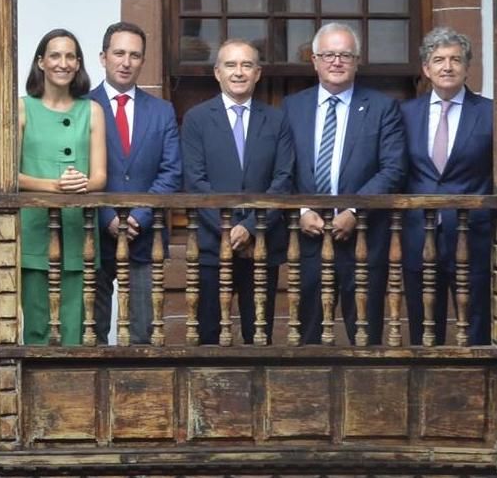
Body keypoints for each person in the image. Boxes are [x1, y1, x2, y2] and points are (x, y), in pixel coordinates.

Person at [284, 22, 406, 345]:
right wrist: (302, 209)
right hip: (307, 239)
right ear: (314, 60)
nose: (336, 62)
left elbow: (393, 169)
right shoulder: (291, 107)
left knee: (365, 337)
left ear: (357, 60)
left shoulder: (382, 108)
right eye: (328, 55)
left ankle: (369, 397)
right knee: (306, 335)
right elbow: (283, 169)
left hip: (363, 240)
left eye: (345, 55)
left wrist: (354, 210)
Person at [179, 39, 294, 345]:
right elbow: (195, 181)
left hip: (263, 243)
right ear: (217, 73)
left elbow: (283, 180)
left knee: (259, 336)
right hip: (212, 243)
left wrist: (251, 227)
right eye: (231, 65)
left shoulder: (277, 119)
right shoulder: (197, 119)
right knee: (208, 335)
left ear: (258, 73)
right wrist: (229, 228)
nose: (239, 72)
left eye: (246, 65)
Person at [400, 28, 495, 346]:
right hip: (419, 234)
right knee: (423, 327)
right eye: (438, 60)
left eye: (456, 59)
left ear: (468, 67)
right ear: (426, 69)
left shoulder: (490, 113)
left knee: (477, 326)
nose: (447, 67)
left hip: (472, 236)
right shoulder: (405, 114)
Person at [86, 22, 180, 344]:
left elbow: (171, 173)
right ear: (103, 57)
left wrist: (136, 217)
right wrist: (108, 217)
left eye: (135, 55)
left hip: (145, 237)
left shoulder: (162, 111)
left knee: (144, 334)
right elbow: (75, 170)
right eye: (119, 53)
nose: (126, 62)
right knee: (91, 333)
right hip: (94, 236)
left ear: (143, 61)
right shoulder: (82, 108)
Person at [17, 28, 106, 346]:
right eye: (55, 55)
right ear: (41, 62)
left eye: (71, 56)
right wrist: (54, 186)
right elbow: (9, 176)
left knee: (77, 324)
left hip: (78, 229)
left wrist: (81, 183)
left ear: (79, 64)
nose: (63, 63)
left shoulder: (92, 110)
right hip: (34, 229)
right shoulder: (22, 108)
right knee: (37, 323)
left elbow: (99, 177)